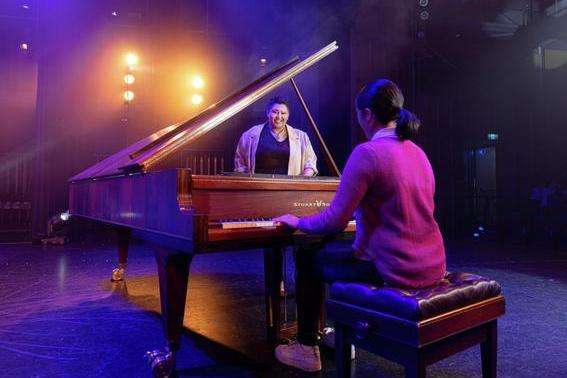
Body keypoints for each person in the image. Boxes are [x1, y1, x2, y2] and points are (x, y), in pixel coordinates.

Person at [273, 79, 446, 372]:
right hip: (433, 265)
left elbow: (334, 220)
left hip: (394, 268)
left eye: (358, 116)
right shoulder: (419, 153)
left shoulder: (368, 153)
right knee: (329, 249)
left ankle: (306, 347)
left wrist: (298, 221)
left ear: (367, 114)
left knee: (306, 256)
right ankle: (341, 331)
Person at [234, 97, 317, 176]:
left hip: (290, 189)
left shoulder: (301, 137)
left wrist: (301, 181)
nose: (279, 117)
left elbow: (310, 164)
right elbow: (240, 163)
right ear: (267, 113)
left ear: (288, 116)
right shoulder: (249, 135)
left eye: (283, 113)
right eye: (275, 112)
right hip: (258, 188)